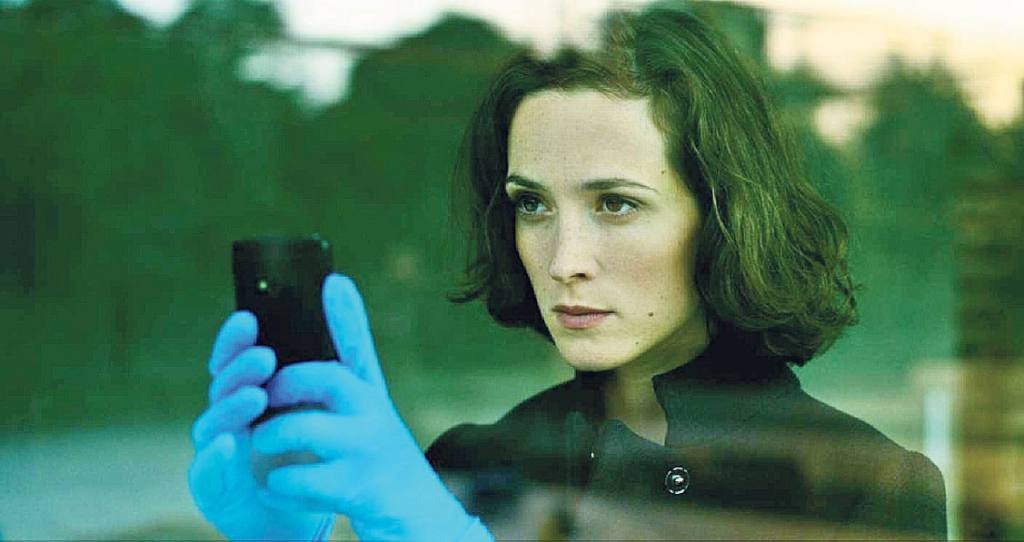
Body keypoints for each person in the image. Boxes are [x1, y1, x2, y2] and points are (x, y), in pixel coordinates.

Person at [188, 5, 947, 540]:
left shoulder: (866, 488)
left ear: (724, 217)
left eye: (616, 204)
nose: (563, 260)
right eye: (533, 205)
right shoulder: (469, 464)